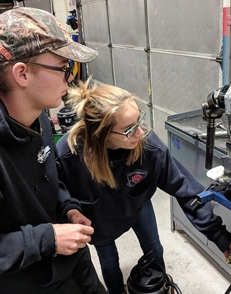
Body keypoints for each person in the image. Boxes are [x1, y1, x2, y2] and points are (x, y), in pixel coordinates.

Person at [57, 79, 231, 294]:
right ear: (100, 133)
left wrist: (218, 235)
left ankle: (159, 286)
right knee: (110, 262)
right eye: (129, 129)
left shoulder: (149, 147)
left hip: (136, 204)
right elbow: (56, 190)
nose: (140, 133)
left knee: (154, 248)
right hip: (100, 219)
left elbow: (186, 189)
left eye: (139, 121)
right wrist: (71, 210)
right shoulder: (68, 154)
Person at [0, 7, 107, 294]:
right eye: (63, 67)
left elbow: (49, 176)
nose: (69, 78)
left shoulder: (40, 116)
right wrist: (47, 239)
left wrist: (67, 207)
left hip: (69, 262)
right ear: (22, 74)